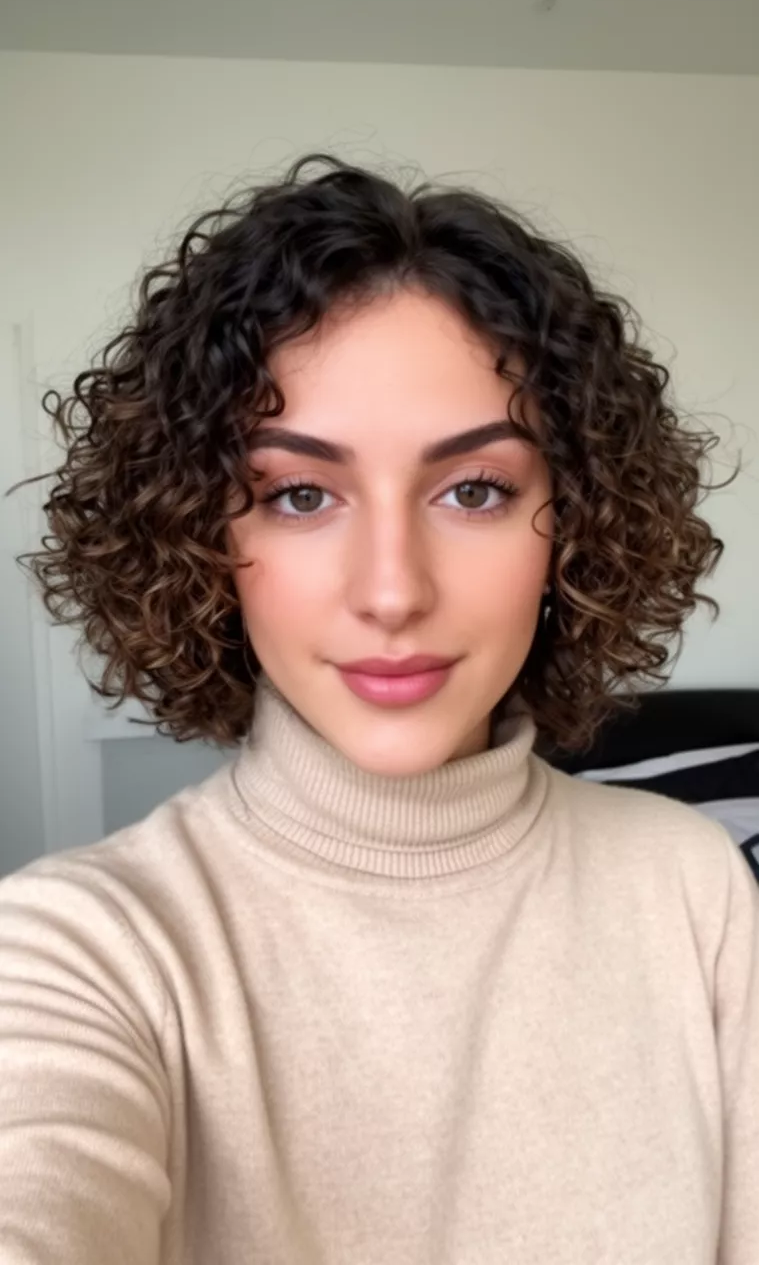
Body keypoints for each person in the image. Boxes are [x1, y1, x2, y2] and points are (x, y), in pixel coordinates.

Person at [1, 153, 757, 1264]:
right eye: (299, 494)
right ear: (202, 537)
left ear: (576, 526)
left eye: (475, 489)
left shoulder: (696, 892)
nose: (393, 588)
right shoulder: (81, 947)